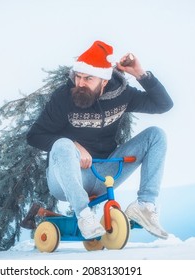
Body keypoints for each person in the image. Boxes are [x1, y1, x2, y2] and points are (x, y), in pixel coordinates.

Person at [27, 40, 173, 240]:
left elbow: (163, 105)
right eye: (78, 77)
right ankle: (84, 215)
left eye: (88, 79)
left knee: (156, 135)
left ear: (104, 81)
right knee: (62, 144)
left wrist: (140, 74)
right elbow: (35, 136)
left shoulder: (122, 96)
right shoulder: (64, 97)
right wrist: (75, 146)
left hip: (105, 172)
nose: (80, 84)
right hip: (68, 177)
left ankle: (145, 206)